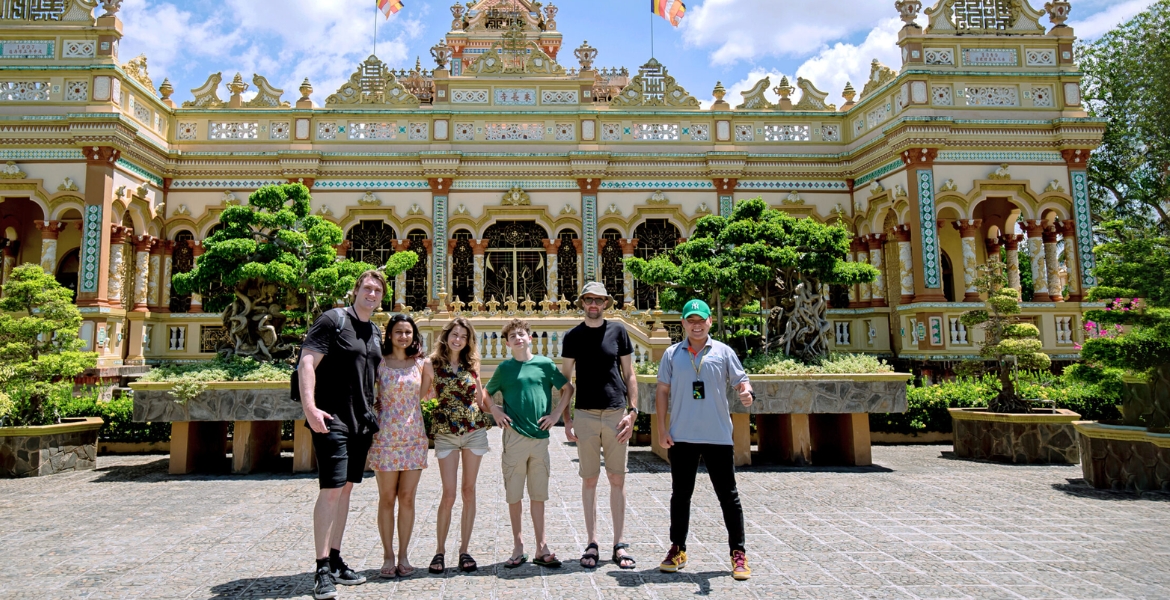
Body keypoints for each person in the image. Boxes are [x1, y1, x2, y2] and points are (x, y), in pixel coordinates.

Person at [298, 270, 386, 599]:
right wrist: (310, 407)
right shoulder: (333, 320)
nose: (372, 293)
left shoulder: (374, 330)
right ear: (355, 290)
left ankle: (335, 559)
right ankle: (321, 568)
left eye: (377, 290)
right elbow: (307, 362)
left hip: (360, 422)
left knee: (346, 490)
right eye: (367, 287)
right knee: (331, 490)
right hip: (331, 418)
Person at [655, 299, 755, 581]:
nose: (696, 325)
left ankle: (738, 552)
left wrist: (747, 393)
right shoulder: (672, 354)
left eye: (701, 320)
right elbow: (662, 391)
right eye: (691, 321)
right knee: (681, 496)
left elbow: (741, 381)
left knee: (728, 496)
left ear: (710, 321)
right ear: (683, 324)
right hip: (682, 436)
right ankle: (678, 548)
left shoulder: (723, 352)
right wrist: (662, 429)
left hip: (717, 436)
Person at [484, 318, 574, 569]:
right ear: (507, 343)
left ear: (530, 338)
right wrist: (495, 411)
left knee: (538, 494)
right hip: (514, 437)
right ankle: (518, 545)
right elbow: (485, 392)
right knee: (514, 494)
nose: (518, 338)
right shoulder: (504, 369)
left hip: (540, 439)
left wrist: (556, 415)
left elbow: (568, 388)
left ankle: (541, 546)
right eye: (512, 336)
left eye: (521, 334)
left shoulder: (544, 364)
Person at [560, 282, 638, 570]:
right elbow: (565, 381)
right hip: (586, 414)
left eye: (599, 300)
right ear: (582, 302)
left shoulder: (618, 331)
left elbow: (630, 374)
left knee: (617, 478)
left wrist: (633, 411)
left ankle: (619, 543)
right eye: (588, 299)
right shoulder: (573, 336)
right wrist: (566, 419)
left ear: (606, 303)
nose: (593, 304)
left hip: (616, 412)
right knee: (589, 479)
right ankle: (592, 542)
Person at [427, 316, 492, 575]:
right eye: (455, 334)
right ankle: (439, 551)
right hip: (446, 432)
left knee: (468, 491)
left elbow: (480, 396)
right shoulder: (431, 365)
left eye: (463, 336)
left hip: (473, 431)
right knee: (449, 493)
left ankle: (464, 549)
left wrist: (497, 412)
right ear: (446, 336)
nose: (458, 339)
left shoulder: (472, 363)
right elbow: (419, 395)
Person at [369, 313, 431, 579]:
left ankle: (404, 554)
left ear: (413, 335)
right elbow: (368, 392)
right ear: (389, 335)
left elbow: (427, 394)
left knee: (407, 498)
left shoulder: (421, 364)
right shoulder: (379, 363)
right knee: (387, 498)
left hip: (414, 436)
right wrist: (374, 405)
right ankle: (387, 555)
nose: (403, 336)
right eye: (398, 332)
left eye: (408, 332)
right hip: (384, 438)